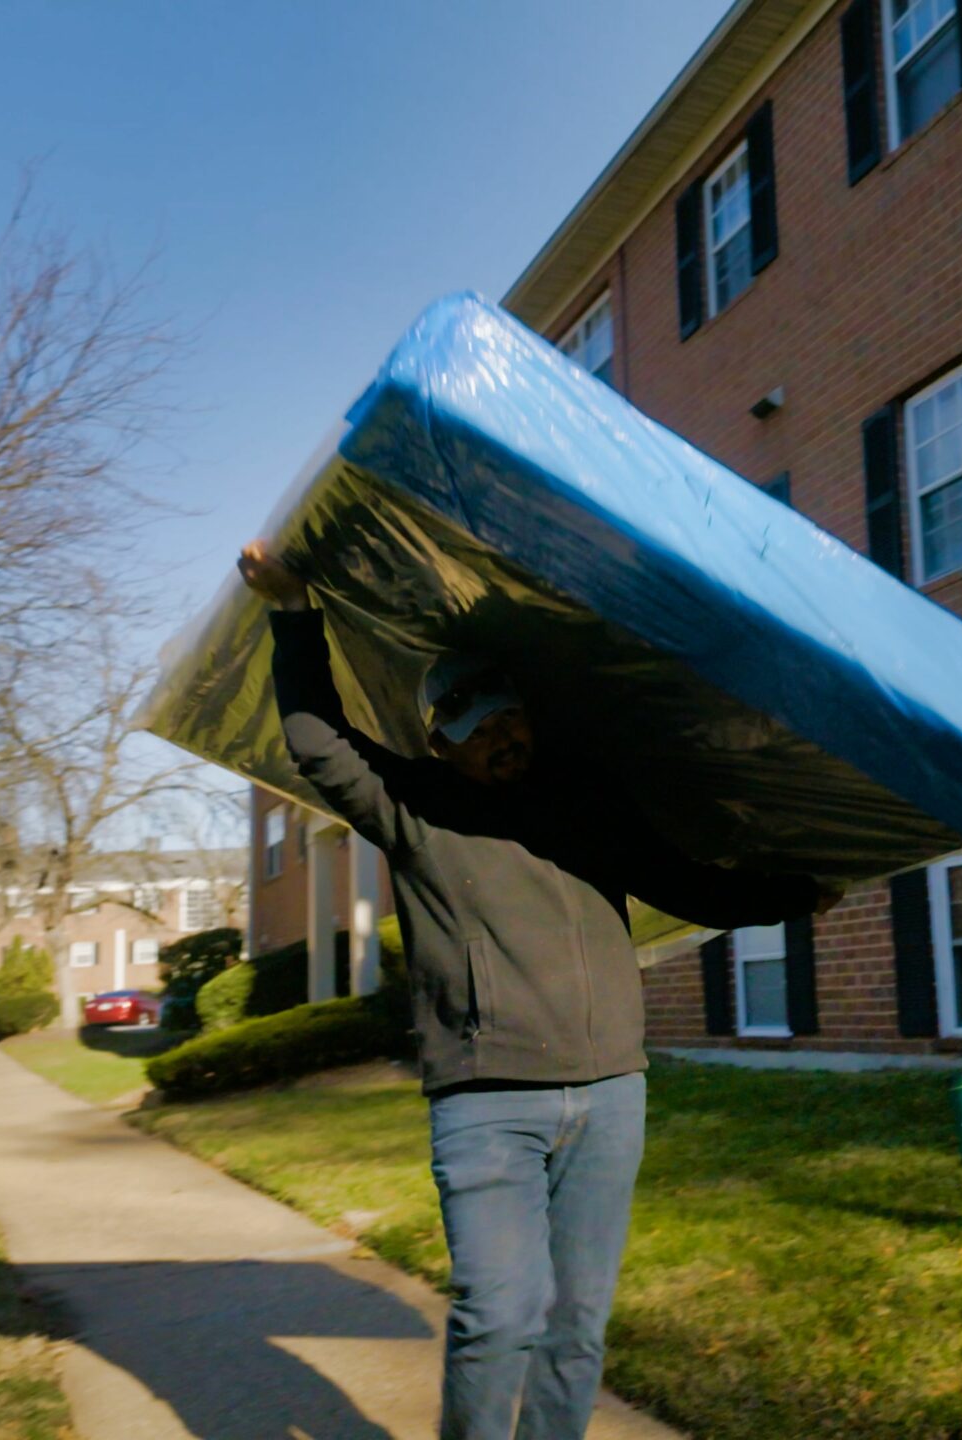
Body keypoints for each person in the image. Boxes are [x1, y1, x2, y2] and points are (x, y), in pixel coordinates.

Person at [237, 540, 838, 1440]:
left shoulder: (588, 800)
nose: (500, 734)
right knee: (500, 1313)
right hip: (487, 1108)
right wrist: (292, 611)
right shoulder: (416, 808)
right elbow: (316, 740)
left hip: (609, 1096)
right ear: (440, 739)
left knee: (577, 1328)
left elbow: (691, 886)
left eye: (508, 715)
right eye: (475, 724)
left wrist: (801, 892)